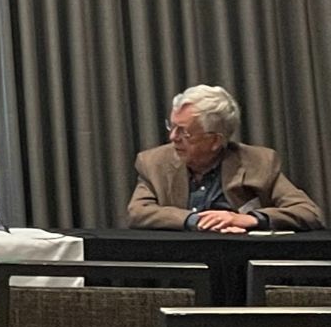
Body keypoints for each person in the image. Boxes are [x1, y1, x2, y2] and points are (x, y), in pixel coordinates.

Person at [127, 84, 324, 232]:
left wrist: (250, 219)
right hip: (183, 269)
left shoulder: (258, 162)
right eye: (172, 126)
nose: (172, 137)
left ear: (215, 140)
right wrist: (195, 220)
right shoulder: (154, 162)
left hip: (242, 265)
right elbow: (138, 212)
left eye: (184, 132)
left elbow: (309, 213)